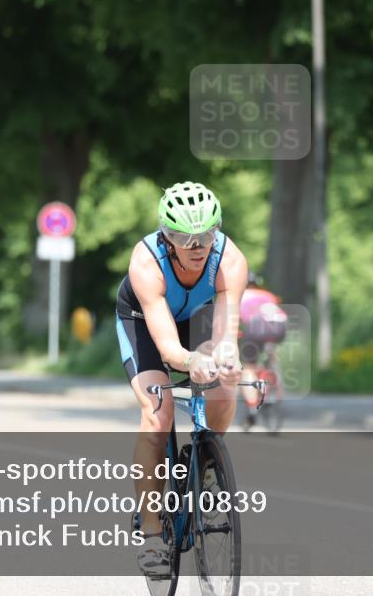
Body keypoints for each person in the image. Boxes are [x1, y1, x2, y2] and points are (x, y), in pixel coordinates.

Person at [114, 181, 247, 577]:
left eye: (206, 235)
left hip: (198, 319)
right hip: (146, 323)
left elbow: (226, 336)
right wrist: (191, 361)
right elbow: (169, 349)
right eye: (184, 237)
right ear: (166, 237)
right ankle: (153, 533)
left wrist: (226, 358)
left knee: (225, 381)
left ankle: (207, 461)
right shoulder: (145, 262)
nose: (197, 245)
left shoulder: (231, 260)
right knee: (159, 412)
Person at [238, 272, 288, 429]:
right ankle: (272, 372)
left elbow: (235, 321)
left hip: (257, 327)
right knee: (269, 351)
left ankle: (253, 408)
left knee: (248, 367)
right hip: (280, 327)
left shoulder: (239, 295)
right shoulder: (268, 295)